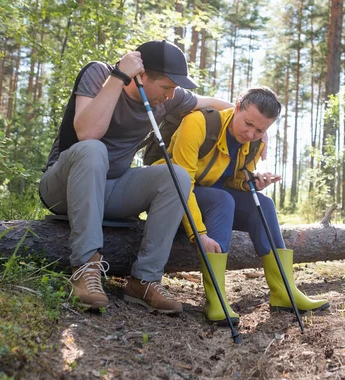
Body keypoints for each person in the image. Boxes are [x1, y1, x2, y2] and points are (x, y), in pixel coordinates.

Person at [39, 40, 233, 313]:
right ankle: (85, 268)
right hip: (64, 187)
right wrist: (119, 76)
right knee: (94, 149)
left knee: (176, 175)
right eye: (166, 87)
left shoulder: (166, 98)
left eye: (174, 89)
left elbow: (210, 103)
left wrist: (250, 122)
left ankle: (145, 279)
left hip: (112, 190)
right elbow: (87, 133)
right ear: (141, 76)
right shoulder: (100, 74)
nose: (170, 95)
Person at [153, 87, 330, 325]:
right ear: (235, 107)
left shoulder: (254, 144)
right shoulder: (198, 123)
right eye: (248, 124)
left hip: (211, 197)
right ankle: (216, 298)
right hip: (170, 196)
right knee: (221, 199)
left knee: (263, 205)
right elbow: (181, 182)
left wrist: (250, 182)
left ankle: (284, 291)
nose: (251, 134)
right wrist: (199, 234)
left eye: (260, 130)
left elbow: (230, 180)